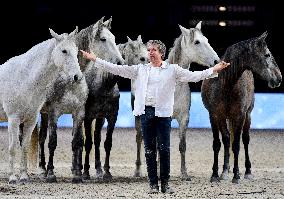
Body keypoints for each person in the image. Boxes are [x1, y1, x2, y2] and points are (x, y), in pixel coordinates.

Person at [80, 40, 230, 194]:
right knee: (149, 150)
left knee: (164, 149)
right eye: (149, 50)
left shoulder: (172, 70)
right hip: (146, 112)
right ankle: (153, 184)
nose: (150, 52)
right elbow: (117, 69)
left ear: (162, 54)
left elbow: (194, 76)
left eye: (154, 50)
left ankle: (165, 184)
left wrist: (214, 69)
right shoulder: (140, 69)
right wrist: (95, 59)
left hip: (163, 114)